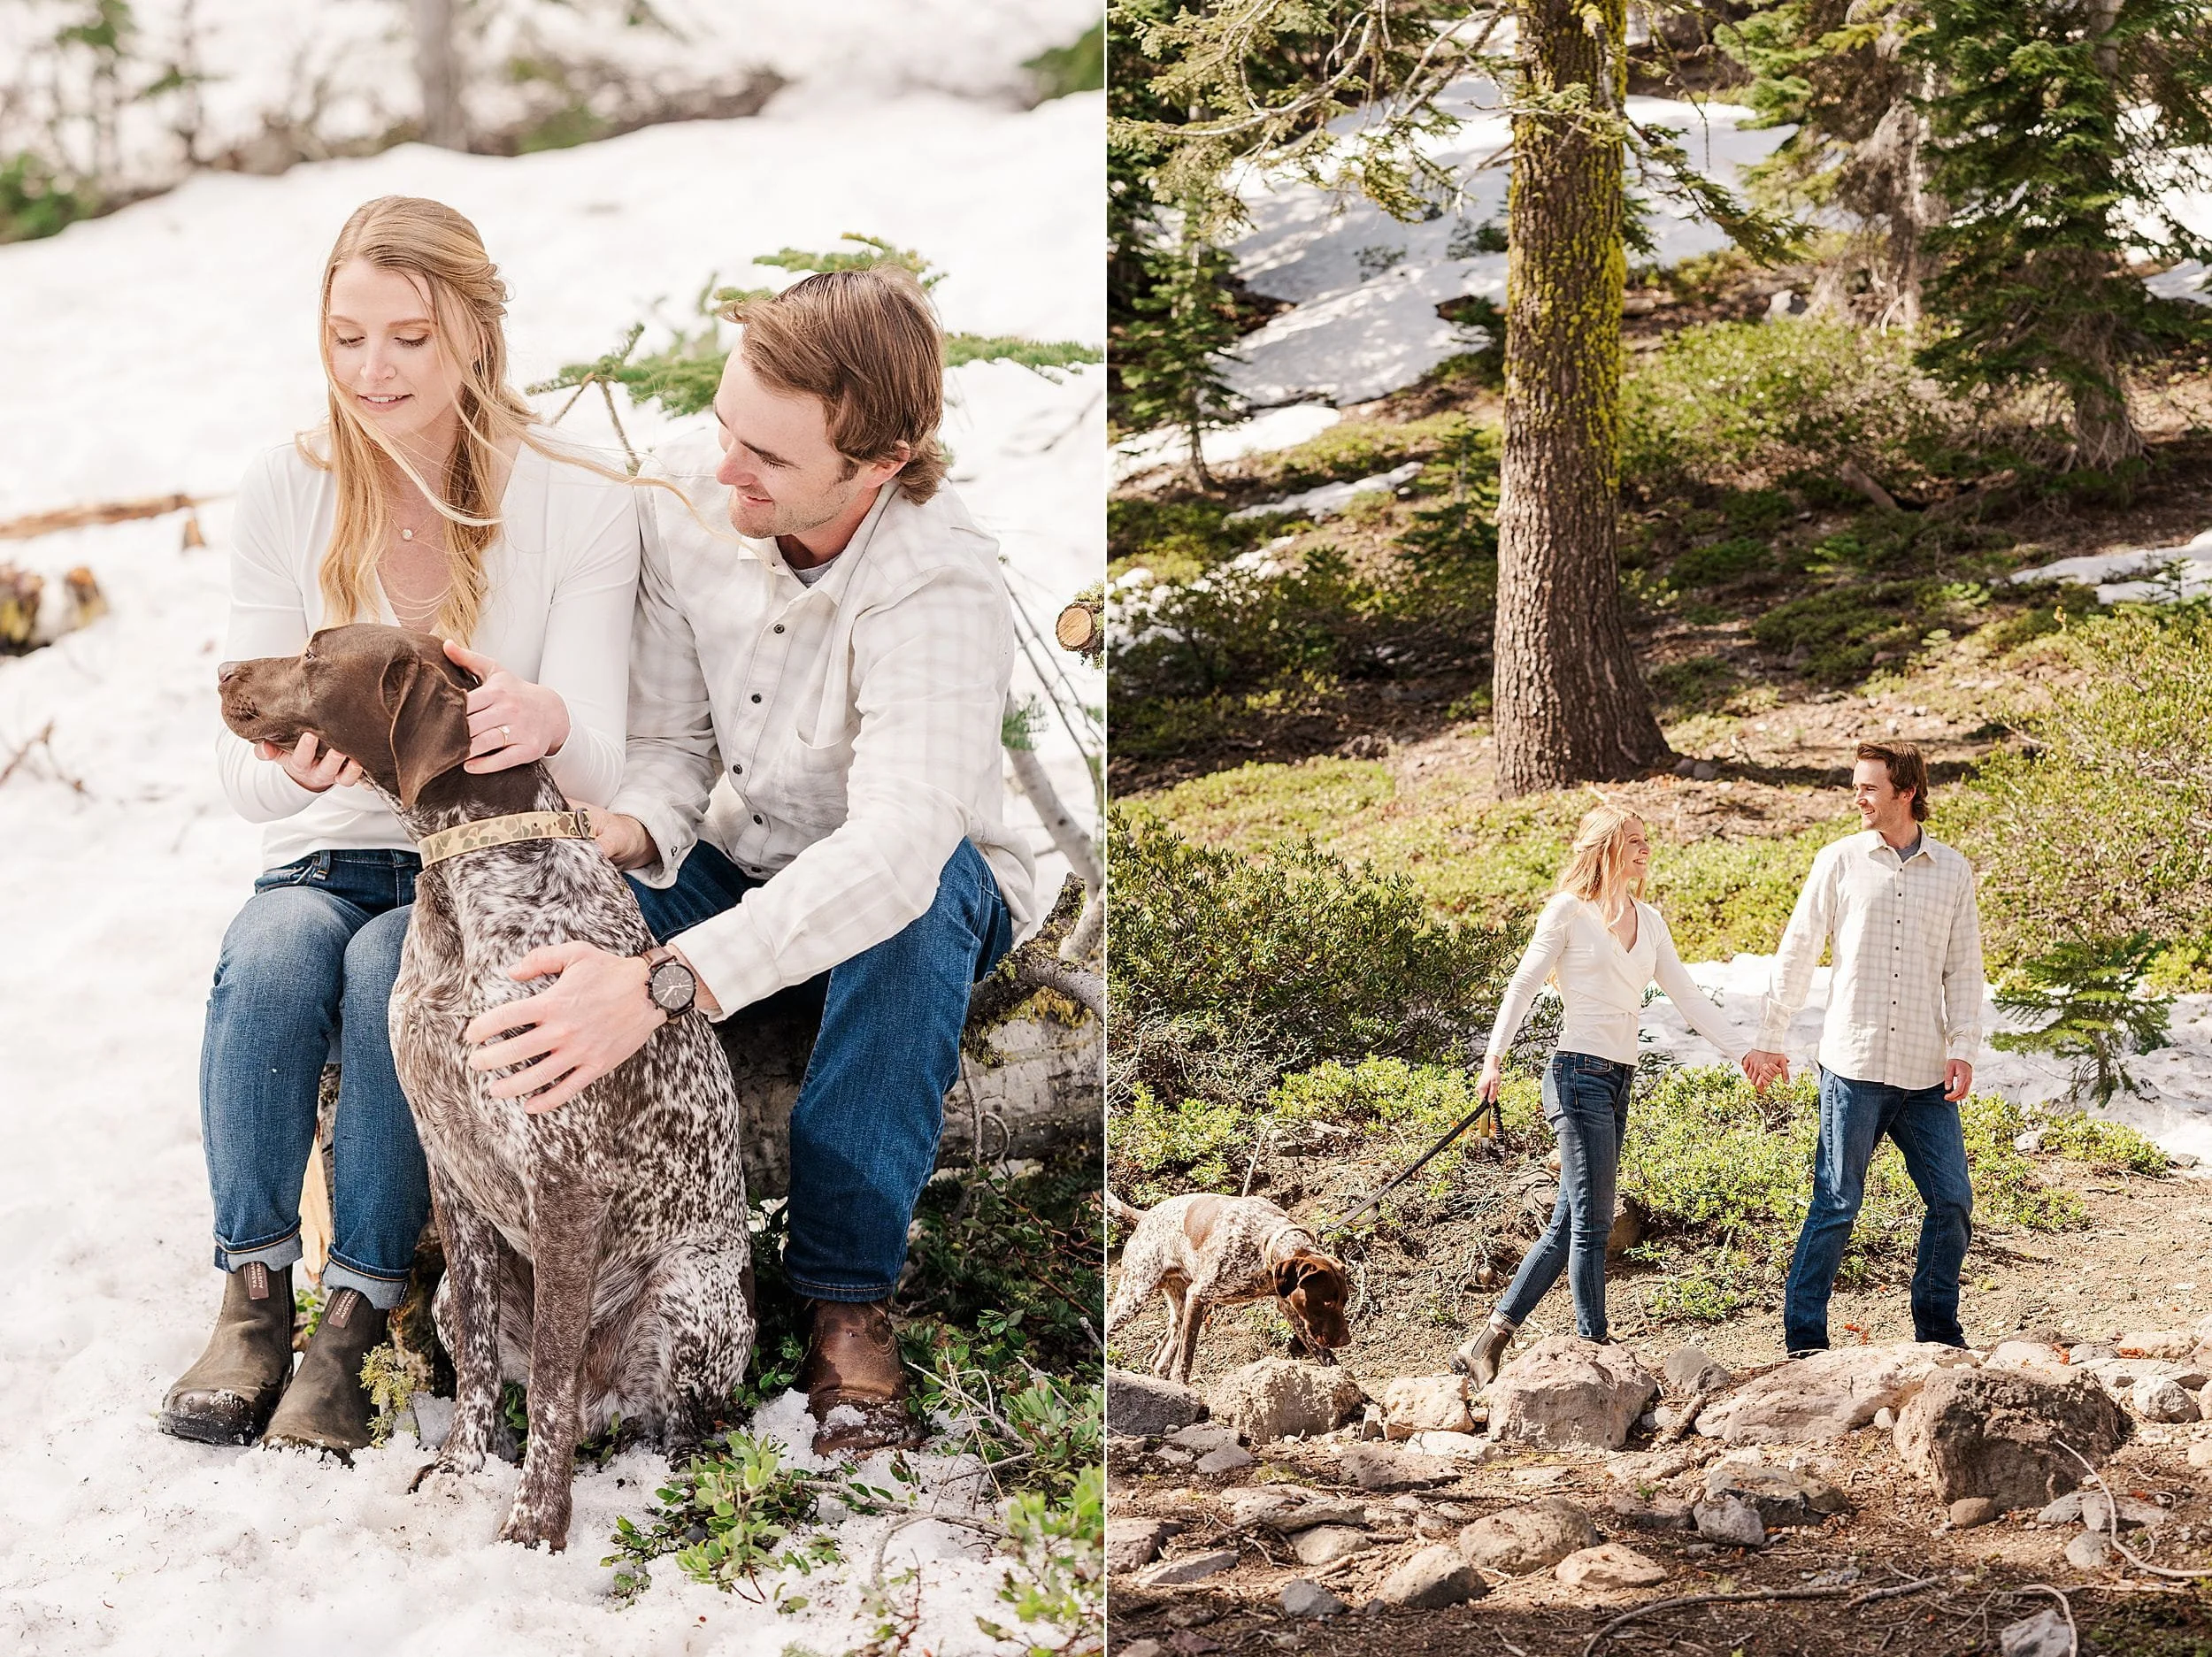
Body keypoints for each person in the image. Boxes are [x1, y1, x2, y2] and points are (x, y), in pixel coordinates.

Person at [455, 265, 1034, 1456]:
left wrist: (666, 982)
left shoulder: (938, 582)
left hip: (930, 883)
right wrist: (632, 832)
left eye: (766, 456)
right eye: (726, 426)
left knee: (912, 911)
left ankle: (844, 1293)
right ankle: (533, 1262)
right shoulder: (690, 498)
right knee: (577, 916)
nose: (726, 469)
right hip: (745, 851)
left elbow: (893, 851)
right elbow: (674, 747)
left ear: (880, 462)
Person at [160, 196, 641, 1454]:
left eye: (410, 338)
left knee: (390, 971)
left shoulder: (574, 496)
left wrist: (544, 715)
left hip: (478, 872)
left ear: (475, 330)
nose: (373, 370)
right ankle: (253, 1291)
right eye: (347, 337)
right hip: (322, 853)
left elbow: (602, 753)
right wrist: (296, 772)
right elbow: (241, 767)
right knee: (269, 955)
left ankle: (361, 1313)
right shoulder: (290, 484)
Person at [1455, 803, 1762, 1384]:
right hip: (1576, 1075)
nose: (1646, 849)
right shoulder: (1569, 911)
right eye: (1635, 841)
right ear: (1606, 849)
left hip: (1619, 1079)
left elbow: (1689, 998)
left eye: (1647, 840)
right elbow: (1523, 985)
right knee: (1594, 1219)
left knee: (1570, 1221)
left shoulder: (1651, 921)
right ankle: (1594, 1342)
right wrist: (1493, 1059)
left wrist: (1744, 1052)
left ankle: (1488, 1340)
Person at [1744, 740, 1985, 1356]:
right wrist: (1770, 1036)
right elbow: (1799, 948)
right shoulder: (1839, 860)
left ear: (1906, 791)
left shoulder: (1953, 871)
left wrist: (1962, 1046)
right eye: (1856, 786)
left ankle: (1938, 1333)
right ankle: (1805, 1341)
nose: (1858, 797)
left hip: (1924, 1073)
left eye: (1869, 787)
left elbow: (1963, 968)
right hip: (1853, 1065)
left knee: (1952, 1200)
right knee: (1837, 1202)